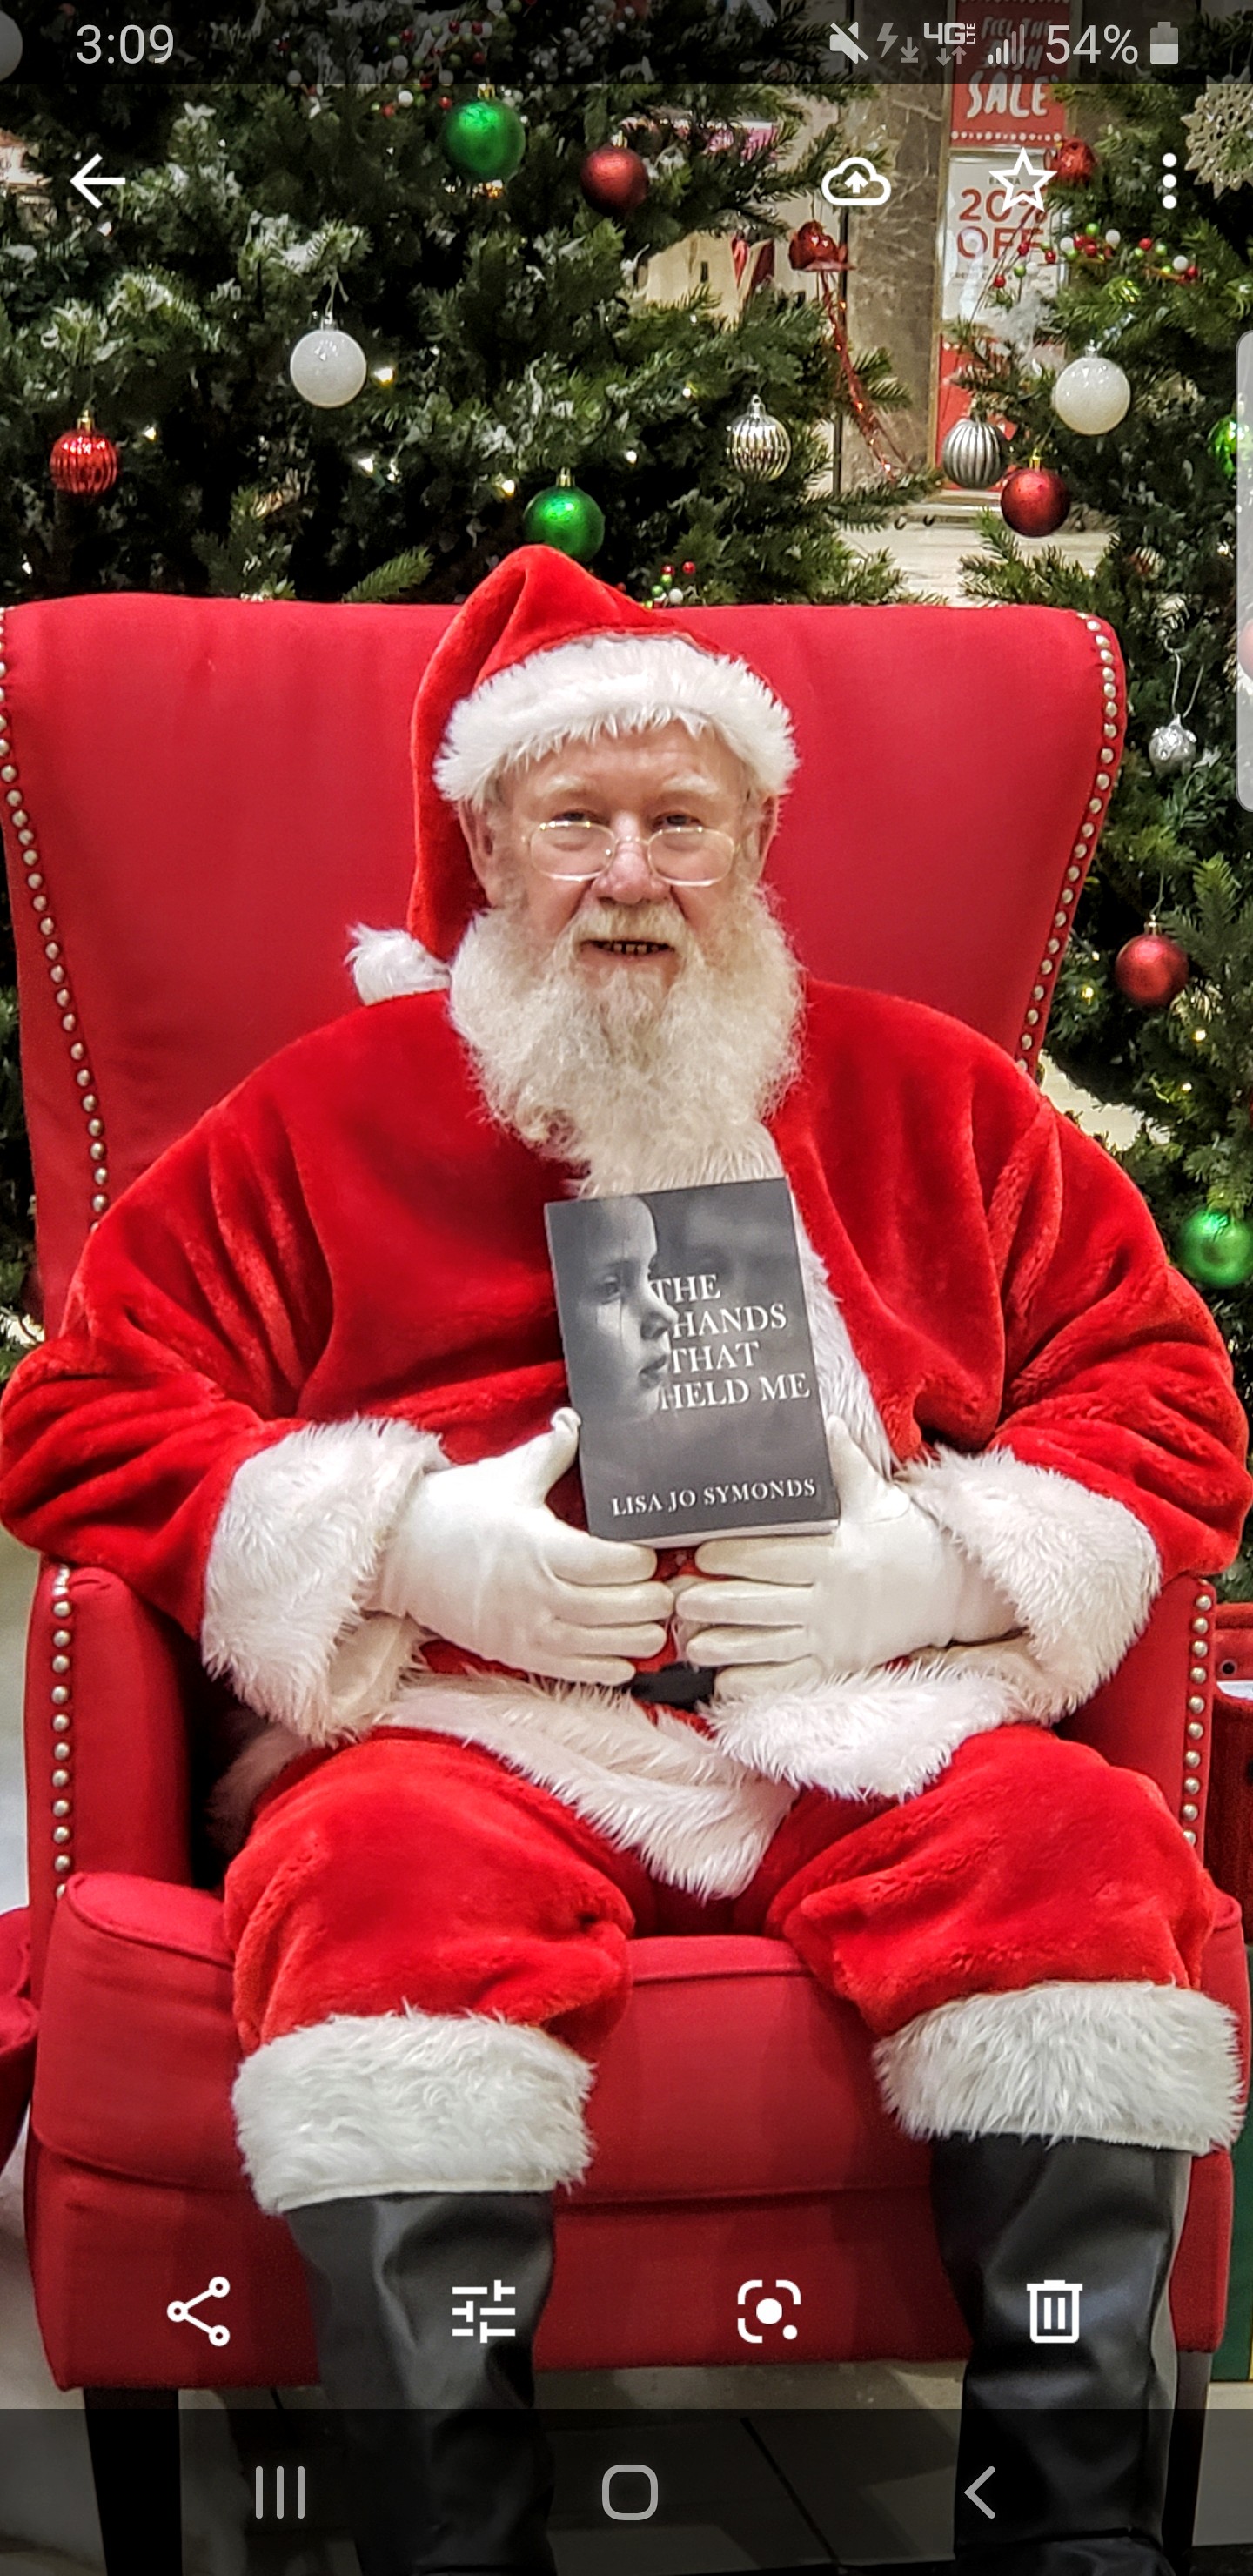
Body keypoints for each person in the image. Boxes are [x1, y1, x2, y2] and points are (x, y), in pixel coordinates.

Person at [1, 547, 1249, 2576]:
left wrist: (937, 1573)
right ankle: (448, 2541)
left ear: (756, 838)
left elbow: (1164, 1389)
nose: (630, 872)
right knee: (377, 1889)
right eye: (574, 820)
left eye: (681, 821)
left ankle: (1075, 2538)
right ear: (486, 838)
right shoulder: (323, 1115)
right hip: (480, 1725)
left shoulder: (934, 1093)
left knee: (1083, 1862)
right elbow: (78, 1408)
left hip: (869, 1709)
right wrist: (407, 1541)